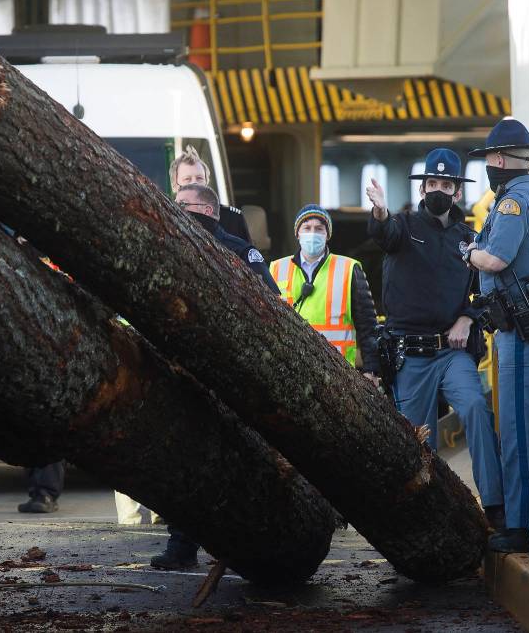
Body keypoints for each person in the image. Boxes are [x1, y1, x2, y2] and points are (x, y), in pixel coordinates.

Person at [364, 148, 504, 530]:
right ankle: (419, 520)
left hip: (452, 350)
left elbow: (484, 293)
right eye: (432, 184)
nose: (439, 189)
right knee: (415, 441)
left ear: (457, 192)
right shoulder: (404, 226)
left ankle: (494, 506)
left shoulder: (468, 239)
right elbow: (384, 232)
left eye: (446, 184)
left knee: (475, 407)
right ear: (423, 188)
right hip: (411, 354)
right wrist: (379, 210)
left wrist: (467, 318)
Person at [148, 184, 278, 571]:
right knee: (183, 460)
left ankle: (244, 546)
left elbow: (268, 303)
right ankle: (181, 545)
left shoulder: (239, 251)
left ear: (207, 209)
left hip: (228, 373)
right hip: (183, 368)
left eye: (183, 205)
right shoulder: (172, 248)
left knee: (234, 460)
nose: (177, 211)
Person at [463, 117, 529, 553]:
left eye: (489, 158)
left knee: (520, 429)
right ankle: (528, 518)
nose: (488, 164)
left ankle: (520, 528)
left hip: (524, 329)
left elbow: (496, 260)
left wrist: (470, 252)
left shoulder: (513, 203)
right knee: (527, 425)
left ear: (500, 159)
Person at [269, 205, 379, 376]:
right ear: (297, 233)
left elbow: (368, 326)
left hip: (339, 372)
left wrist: (371, 370)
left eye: (319, 229)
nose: (312, 233)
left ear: (327, 235)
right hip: (290, 367)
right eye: (307, 228)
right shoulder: (276, 268)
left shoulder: (349, 268)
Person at [171, 145, 251, 242]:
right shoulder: (168, 217)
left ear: (207, 182)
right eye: (187, 179)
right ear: (175, 185)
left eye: (199, 178)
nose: (194, 183)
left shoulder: (232, 219)